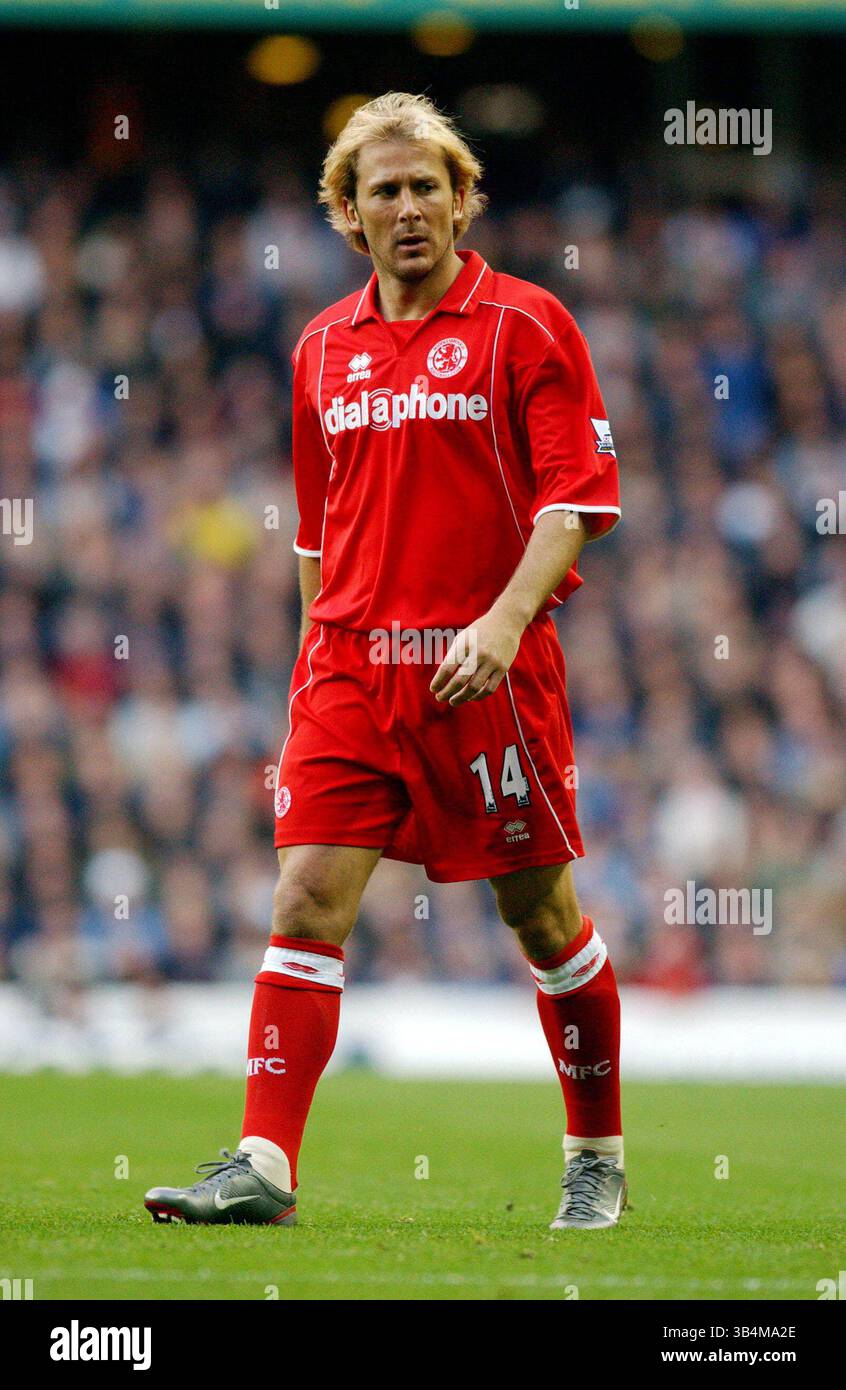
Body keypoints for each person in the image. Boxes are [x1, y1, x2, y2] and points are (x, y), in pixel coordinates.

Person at [144, 91, 625, 1231]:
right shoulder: (319, 349)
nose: (407, 208)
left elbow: (575, 504)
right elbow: (317, 536)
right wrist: (319, 661)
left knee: (542, 916)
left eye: (426, 187)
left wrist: (504, 623)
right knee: (306, 898)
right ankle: (265, 1161)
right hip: (353, 671)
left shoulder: (528, 326)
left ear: (464, 201)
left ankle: (595, 1152)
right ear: (348, 217)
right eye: (382, 191)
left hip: (487, 672)